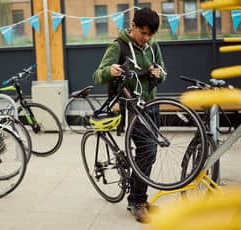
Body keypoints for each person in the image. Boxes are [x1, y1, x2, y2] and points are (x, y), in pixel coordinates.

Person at [93, 7, 167, 223]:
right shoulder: (118, 46)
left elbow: (163, 69)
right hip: (131, 107)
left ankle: (138, 198)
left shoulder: (153, 46)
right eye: (143, 33)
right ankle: (137, 201)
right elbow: (97, 75)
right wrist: (110, 71)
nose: (146, 39)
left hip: (152, 105)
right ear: (133, 26)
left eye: (150, 35)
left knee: (147, 154)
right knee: (148, 150)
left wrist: (158, 74)